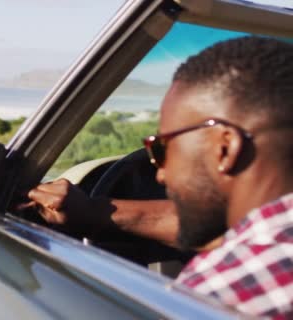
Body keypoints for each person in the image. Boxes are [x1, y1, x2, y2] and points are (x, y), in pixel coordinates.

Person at [21, 36, 293, 318]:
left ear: (224, 148)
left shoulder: (224, 293)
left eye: (162, 149)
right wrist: (93, 212)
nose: (160, 174)